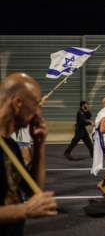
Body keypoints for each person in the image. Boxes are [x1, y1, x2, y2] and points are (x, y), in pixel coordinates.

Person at [0, 73, 57, 235]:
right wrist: (24, 210)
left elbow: (33, 190)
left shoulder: (9, 144)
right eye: (35, 105)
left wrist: (39, 144)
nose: (38, 113)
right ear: (17, 103)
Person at [11, 95, 49, 169]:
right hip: (22, 142)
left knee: (27, 162)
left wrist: (43, 99)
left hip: (24, 141)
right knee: (27, 162)